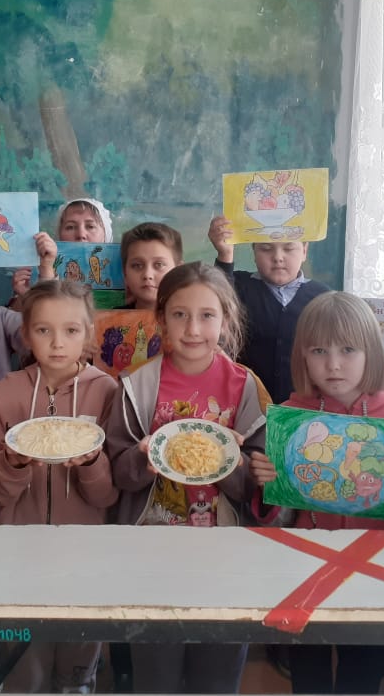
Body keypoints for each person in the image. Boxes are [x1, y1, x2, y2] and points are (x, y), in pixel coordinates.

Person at [248, 290, 384, 694]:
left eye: (348, 350)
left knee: (363, 672)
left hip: (376, 571)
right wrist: (267, 488)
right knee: (308, 672)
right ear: (302, 355)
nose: (333, 364)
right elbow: (277, 516)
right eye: (319, 350)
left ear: (371, 352)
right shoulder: (290, 418)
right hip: (305, 567)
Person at [106, 261, 265, 694]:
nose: (193, 329)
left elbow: (259, 484)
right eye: (179, 314)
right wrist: (142, 460)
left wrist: (233, 464)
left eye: (207, 315)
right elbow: (118, 470)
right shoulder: (137, 385)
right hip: (152, 551)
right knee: (155, 671)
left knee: (217, 671)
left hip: (225, 555)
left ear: (226, 320)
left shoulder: (245, 387)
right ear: (161, 319)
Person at [0, 280, 118, 693]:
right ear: (25, 334)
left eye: (71, 330)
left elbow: (107, 495)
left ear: (89, 333)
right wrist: (13, 462)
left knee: (77, 657)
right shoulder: (7, 391)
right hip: (18, 549)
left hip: (85, 550)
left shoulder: (107, 391)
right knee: (25, 664)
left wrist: (91, 463)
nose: (57, 343)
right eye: (43, 330)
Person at [208, 216, 330, 403]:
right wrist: (225, 255)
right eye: (266, 248)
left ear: (304, 251)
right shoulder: (238, 285)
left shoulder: (323, 298)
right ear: (254, 251)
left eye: (288, 248)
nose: (278, 257)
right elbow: (215, 300)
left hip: (304, 407)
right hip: (243, 402)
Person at [118, 222, 184, 311]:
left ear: (178, 272)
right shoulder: (108, 318)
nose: (147, 275)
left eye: (159, 265)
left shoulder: (192, 318)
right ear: (125, 273)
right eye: (137, 265)